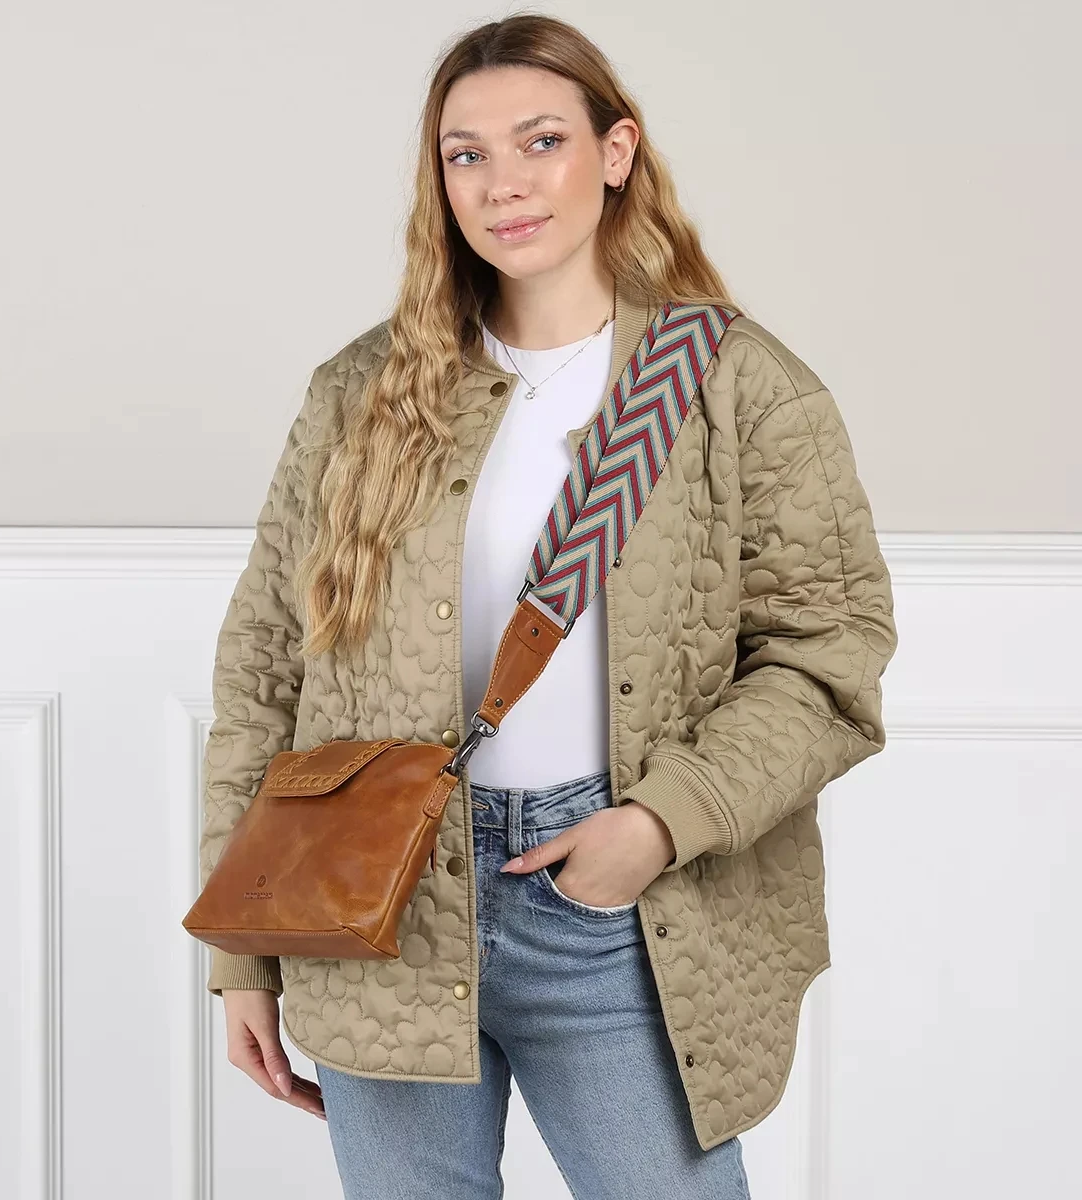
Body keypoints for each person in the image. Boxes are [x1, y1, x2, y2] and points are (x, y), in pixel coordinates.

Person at [196, 13, 898, 1199]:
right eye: (465, 154)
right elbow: (265, 666)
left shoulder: (736, 387)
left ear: (616, 153)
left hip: (620, 907)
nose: (503, 183)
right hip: (378, 904)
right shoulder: (362, 392)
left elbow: (830, 657)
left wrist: (659, 825)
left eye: (541, 141)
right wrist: (242, 951)